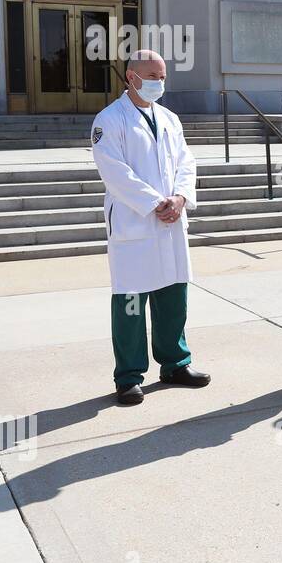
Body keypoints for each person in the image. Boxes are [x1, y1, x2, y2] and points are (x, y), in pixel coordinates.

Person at [91, 49, 210, 406]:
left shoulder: (170, 119)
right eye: (153, 77)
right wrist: (153, 202)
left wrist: (180, 198)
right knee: (131, 301)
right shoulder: (109, 120)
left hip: (171, 221)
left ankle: (175, 363)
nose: (160, 83)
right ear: (131, 77)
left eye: (163, 77)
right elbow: (113, 171)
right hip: (134, 222)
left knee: (173, 294)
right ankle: (128, 376)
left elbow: (186, 162)